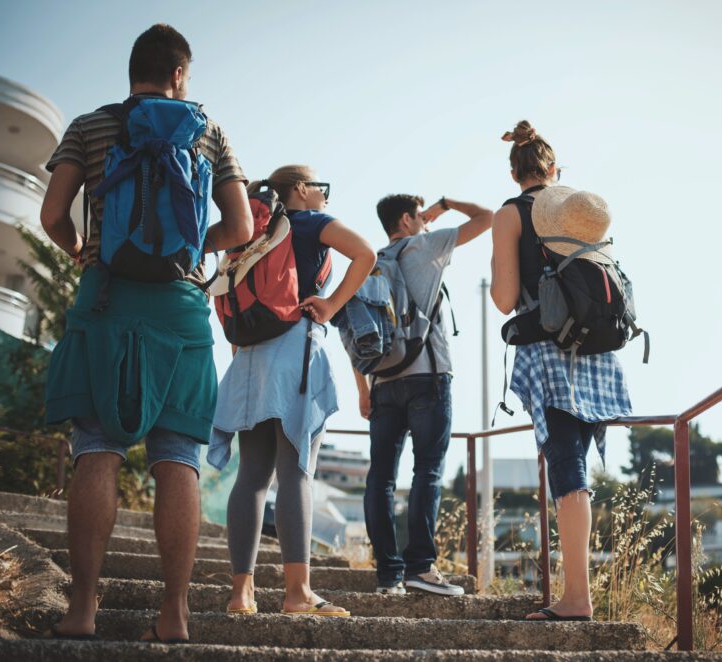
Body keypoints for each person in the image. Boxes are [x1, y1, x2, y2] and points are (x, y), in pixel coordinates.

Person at [39, 24, 253, 642]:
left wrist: (82, 247)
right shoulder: (209, 131)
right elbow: (239, 225)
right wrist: (193, 249)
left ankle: (82, 609)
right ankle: (175, 613)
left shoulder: (91, 125)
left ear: (132, 70)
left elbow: (52, 214)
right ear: (180, 74)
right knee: (178, 456)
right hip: (180, 308)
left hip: (104, 298)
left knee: (95, 449)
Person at [208, 165, 376, 616]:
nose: (323, 197)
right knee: (296, 471)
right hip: (294, 353)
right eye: (320, 188)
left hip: (249, 359)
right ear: (300, 190)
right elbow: (365, 254)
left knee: (252, 476)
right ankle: (298, 593)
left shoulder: (252, 233)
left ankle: (241, 594)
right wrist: (332, 304)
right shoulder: (309, 223)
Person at [489, 121, 633, 620]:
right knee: (578, 470)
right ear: (554, 169)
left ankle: (577, 598)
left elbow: (505, 299)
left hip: (548, 355)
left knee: (567, 471)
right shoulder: (579, 208)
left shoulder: (510, 215)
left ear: (514, 173)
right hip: (599, 352)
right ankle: (578, 594)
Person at [356, 193, 492, 595]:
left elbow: (354, 330)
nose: (427, 221)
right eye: (421, 216)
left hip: (381, 383)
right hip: (427, 378)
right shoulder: (425, 245)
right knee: (427, 471)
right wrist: (445, 203)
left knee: (379, 478)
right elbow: (489, 217)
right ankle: (420, 568)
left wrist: (363, 389)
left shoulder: (369, 260)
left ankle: (387, 576)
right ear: (406, 219)